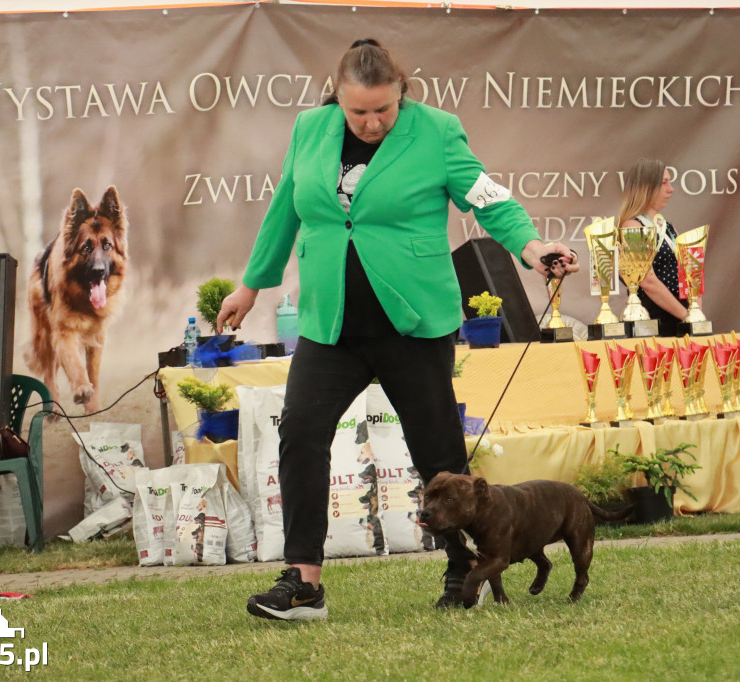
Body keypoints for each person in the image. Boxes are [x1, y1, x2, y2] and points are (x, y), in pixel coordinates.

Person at [216, 38, 578, 621]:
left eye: (383, 109)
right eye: (359, 111)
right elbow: (286, 208)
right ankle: (304, 583)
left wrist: (533, 247)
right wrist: (251, 285)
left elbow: (488, 199)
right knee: (302, 432)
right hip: (331, 324)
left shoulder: (436, 131)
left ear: (401, 93)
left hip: (412, 322)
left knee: (436, 451)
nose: (372, 122)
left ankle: (466, 569)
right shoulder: (311, 129)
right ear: (338, 98)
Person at [617, 158, 689, 337]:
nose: (670, 189)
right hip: (656, 323)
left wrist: (696, 312)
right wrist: (687, 317)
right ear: (646, 187)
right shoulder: (632, 227)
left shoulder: (670, 229)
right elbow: (647, 281)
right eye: (664, 183)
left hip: (682, 318)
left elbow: (690, 275)